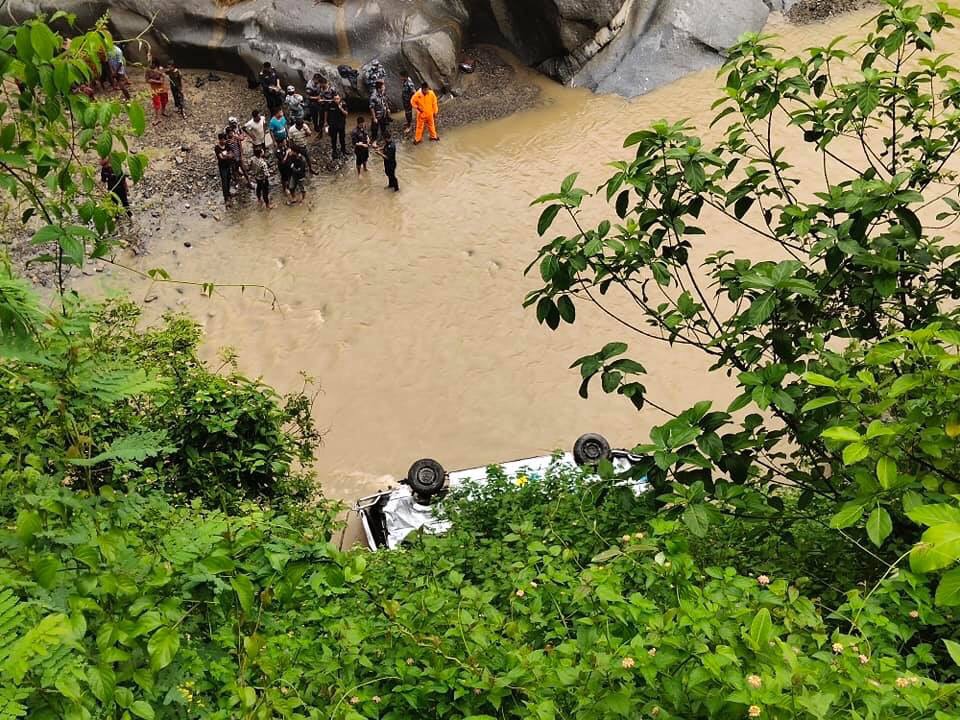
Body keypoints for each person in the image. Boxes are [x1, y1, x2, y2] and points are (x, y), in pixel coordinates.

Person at [214, 132, 235, 205]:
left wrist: (226, 155)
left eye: (224, 140)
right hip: (222, 167)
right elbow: (221, 157)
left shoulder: (226, 145)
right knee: (224, 182)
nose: (223, 141)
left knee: (229, 179)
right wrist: (228, 156)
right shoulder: (217, 147)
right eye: (222, 140)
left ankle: (228, 193)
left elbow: (232, 154)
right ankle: (226, 198)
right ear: (219, 140)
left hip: (228, 165)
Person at [145, 58, 169, 123]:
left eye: (151, 63)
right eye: (149, 63)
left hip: (162, 88)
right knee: (156, 103)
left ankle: (163, 111)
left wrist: (153, 80)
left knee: (164, 101)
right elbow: (147, 80)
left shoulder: (160, 69)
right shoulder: (148, 70)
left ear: (155, 64)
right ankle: (157, 118)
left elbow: (162, 81)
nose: (150, 65)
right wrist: (155, 81)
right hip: (154, 89)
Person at [250, 145, 272, 210]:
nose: (263, 151)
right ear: (260, 153)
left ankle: (259, 199)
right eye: (262, 151)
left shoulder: (252, 159)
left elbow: (250, 166)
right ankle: (268, 205)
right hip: (263, 178)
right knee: (265, 192)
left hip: (257, 177)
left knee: (258, 188)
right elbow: (266, 174)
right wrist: (266, 177)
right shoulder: (263, 163)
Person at [328, 92, 348, 160]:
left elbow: (346, 114)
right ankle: (334, 152)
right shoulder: (330, 104)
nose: (337, 100)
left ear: (340, 99)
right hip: (333, 125)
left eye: (338, 99)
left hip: (341, 125)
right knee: (333, 139)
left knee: (342, 138)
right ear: (333, 99)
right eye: (335, 99)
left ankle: (344, 150)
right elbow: (326, 113)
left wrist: (340, 108)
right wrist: (326, 123)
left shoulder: (343, 104)